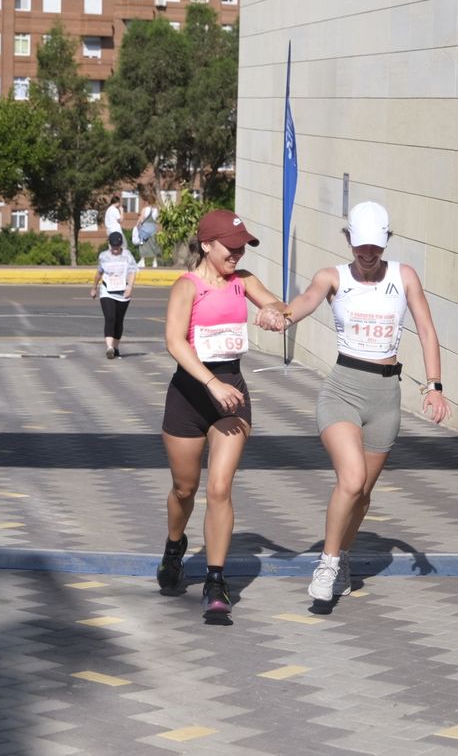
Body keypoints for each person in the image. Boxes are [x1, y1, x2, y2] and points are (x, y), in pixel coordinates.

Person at [277, 201, 450, 602]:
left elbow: (426, 330)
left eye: (376, 246)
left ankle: (344, 555)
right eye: (360, 247)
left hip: (386, 397)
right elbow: (304, 301)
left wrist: (435, 385)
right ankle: (327, 562)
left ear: (386, 241)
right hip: (343, 391)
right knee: (351, 480)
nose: (368, 255)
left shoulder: (404, 276)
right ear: (348, 241)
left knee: (363, 492)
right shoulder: (332, 277)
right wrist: (282, 316)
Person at [155, 209, 288, 617]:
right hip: (190, 396)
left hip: (233, 396)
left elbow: (280, 305)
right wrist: (210, 383)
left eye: (241, 246)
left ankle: (216, 580)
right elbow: (175, 342)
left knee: (219, 489)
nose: (237, 253)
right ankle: (175, 545)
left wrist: (274, 313)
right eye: (230, 247)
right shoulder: (187, 287)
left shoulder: (242, 282)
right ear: (207, 245)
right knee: (185, 489)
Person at [91, 231, 139, 358]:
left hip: (123, 292)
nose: (116, 250)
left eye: (118, 247)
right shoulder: (103, 256)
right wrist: (94, 288)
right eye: (113, 247)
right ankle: (109, 347)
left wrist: (130, 287)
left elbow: (133, 271)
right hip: (107, 291)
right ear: (109, 245)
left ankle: (116, 347)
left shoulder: (127, 256)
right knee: (110, 318)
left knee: (118, 320)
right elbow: (99, 273)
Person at [133, 192, 162, 268]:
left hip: (144, 230)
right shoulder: (155, 210)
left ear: (147, 201)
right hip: (153, 229)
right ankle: (154, 262)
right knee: (154, 245)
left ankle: (142, 261)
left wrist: (137, 226)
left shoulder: (145, 209)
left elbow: (141, 220)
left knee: (142, 245)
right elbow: (157, 220)